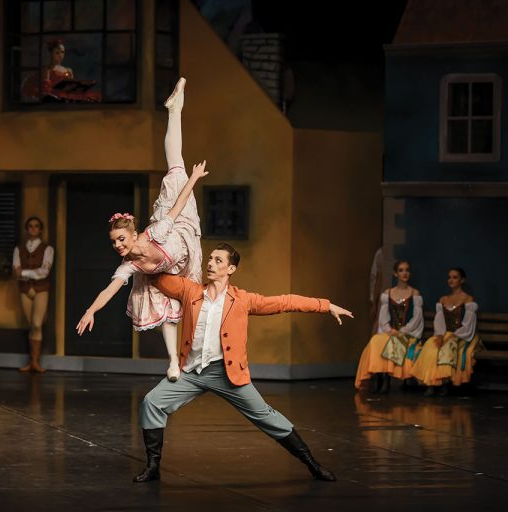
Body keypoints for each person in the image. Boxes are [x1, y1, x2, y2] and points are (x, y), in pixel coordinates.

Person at [131, 242, 353, 483]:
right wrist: (133, 249)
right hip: (191, 372)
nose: (210, 263)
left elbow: (285, 302)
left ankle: (313, 465)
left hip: (227, 374)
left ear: (231, 269)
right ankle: (153, 466)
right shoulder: (190, 291)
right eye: (210, 258)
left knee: (267, 417)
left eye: (218, 260)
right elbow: (155, 275)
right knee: (152, 402)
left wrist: (325, 306)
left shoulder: (242, 300)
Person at [77, 77, 205, 382]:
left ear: (134, 235)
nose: (118, 246)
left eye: (121, 239)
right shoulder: (130, 265)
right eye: (114, 242)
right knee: (164, 302)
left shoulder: (154, 234)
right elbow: (109, 290)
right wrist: (91, 311)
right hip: (170, 264)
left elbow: (178, 206)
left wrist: (193, 179)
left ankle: (174, 109)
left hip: (178, 228)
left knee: (176, 166)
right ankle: (173, 361)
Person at [411, 267, 483, 396]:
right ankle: (432, 383)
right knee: (431, 346)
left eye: (455, 277)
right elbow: (439, 321)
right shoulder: (443, 300)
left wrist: (452, 336)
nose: (451, 280)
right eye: (449, 277)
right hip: (445, 333)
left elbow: (468, 325)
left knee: (448, 346)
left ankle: (444, 383)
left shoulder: (468, 300)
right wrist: (440, 335)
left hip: (461, 335)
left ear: (462, 280)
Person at [354, 260, 424, 393]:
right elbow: (383, 317)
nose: (404, 273)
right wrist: (388, 329)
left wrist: (403, 330)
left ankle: (386, 379)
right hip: (391, 331)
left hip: (408, 333)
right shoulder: (388, 293)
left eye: (407, 270)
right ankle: (378, 375)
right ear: (395, 273)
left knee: (392, 341)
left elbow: (417, 318)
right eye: (401, 270)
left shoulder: (414, 294)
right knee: (376, 340)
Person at [13, 217, 54, 373]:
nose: (33, 229)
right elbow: (16, 272)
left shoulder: (47, 249)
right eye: (30, 226)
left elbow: (44, 271)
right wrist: (26, 274)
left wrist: (24, 273)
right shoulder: (19, 249)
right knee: (31, 325)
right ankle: (32, 361)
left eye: (36, 226)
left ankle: (35, 361)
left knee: (37, 324)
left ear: (40, 229)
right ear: (27, 229)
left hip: (41, 288)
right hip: (25, 289)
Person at [21, 39, 101, 103]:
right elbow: (45, 89)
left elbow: (72, 89)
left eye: (62, 52)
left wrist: (81, 86)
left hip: (66, 98)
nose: (60, 55)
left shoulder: (68, 70)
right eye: (57, 53)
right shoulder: (46, 69)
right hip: (53, 99)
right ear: (51, 54)